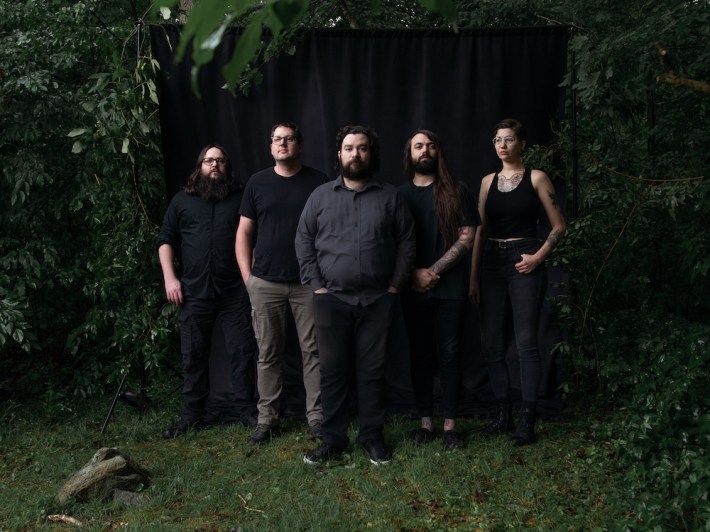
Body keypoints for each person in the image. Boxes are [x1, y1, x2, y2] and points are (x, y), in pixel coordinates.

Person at [296, 125, 416, 466]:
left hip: (378, 300)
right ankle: (332, 440)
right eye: (349, 148)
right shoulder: (320, 196)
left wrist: (395, 286)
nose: (355, 154)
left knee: (372, 372)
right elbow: (303, 240)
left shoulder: (390, 196)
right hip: (331, 300)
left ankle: (372, 437)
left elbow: (407, 242)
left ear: (371, 154)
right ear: (339, 154)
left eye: (362, 148)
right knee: (332, 373)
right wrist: (317, 285)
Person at [469, 118, 566, 445]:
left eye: (509, 139)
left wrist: (538, 257)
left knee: (526, 343)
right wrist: (474, 277)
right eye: (498, 139)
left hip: (525, 258)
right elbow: (480, 231)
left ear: (522, 144)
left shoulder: (536, 177)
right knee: (491, 344)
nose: (502, 145)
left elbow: (559, 226)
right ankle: (503, 414)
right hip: (492, 264)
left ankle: (527, 419)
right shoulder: (487, 181)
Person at [157, 144, 258, 438]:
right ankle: (192, 415)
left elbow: (254, 237)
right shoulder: (181, 201)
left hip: (234, 291)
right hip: (194, 291)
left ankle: (247, 410)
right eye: (209, 160)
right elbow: (165, 240)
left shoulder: (241, 198)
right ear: (199, 166)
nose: (215, 165)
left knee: (242, 351)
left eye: (220, 161)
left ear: (228, 167)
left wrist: (251, 278)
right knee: (193, 355)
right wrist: (170, 279)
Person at [235, 122, 327, 445]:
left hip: (307, 282)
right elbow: (244, 233)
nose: (283, 143)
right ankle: (267, 420)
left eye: (289, 139)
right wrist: (248, 279)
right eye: (277, 139)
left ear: (300, 145)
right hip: (265, 282)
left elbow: (329, 230)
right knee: (268, 353)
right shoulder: (257, 183)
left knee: (313, 351)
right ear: (271, 146)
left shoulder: (318, 181)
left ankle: (317, 418)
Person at [399, 130, 479, 450]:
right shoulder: (399, 196)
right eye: (418, 146)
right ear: (410, 154)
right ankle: (425, 423)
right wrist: (413, 274)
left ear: (438, 152)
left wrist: (433, 271)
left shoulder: (457, 190)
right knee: (419, 355)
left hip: (451, 289)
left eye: (431, 145)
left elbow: (467, 237)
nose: (425, 150)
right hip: (412, 288)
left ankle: (450, 425)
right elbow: (390, 243)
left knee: (449, 355)